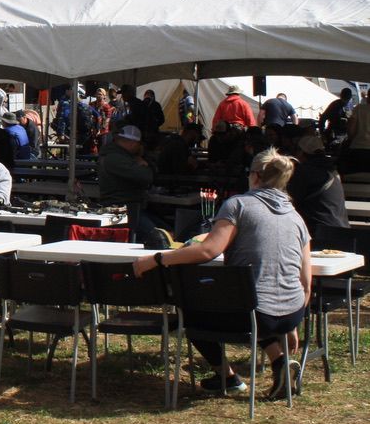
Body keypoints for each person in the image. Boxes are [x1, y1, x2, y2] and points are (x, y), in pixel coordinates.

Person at [133, 148, 311, 399]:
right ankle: (280, 362)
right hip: (290, 313)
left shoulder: (239, 204)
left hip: (257, 312)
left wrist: (157, 259)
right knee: (250, 305)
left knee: (191, 313)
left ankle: (228, 377)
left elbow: (208, 251)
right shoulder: (296, 217)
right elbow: (306, 281)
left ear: (255, 176)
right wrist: (291, 321)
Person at [98, 125, 160, 237]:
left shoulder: (115, 156)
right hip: (124, 210)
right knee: (159, 236)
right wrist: (144, 165)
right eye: (138, 144)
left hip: (124, 208)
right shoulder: (116, 158)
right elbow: (146, 176)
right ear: (133, 143)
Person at [287, 133, 348, 233]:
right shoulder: (332, 170)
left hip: (318, 232)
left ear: (301, 152)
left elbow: (291, 200)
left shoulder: (304, 172)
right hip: (341, 227)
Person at [340, 89, 370, 175]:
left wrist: (353, 139)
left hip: (358, 148)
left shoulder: (359, 108)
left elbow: (351, 129)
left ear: (368, 97)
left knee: (355, 177)